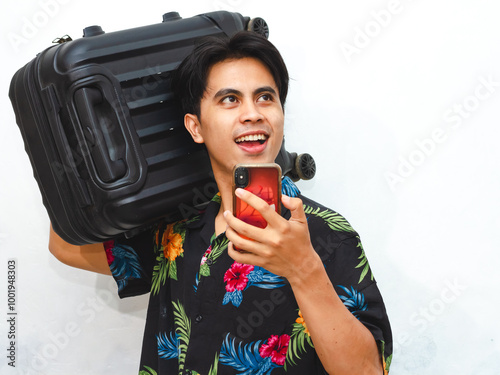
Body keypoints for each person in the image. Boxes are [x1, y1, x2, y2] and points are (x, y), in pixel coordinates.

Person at [49, 31, 392, 374]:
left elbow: (367, 372)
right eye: (230, 99)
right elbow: (65, 245)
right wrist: (78, 138)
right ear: (195, 127)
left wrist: (304, 269)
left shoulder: (327, 234)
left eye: (265, 98)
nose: (252, 114)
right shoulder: (176, 227)